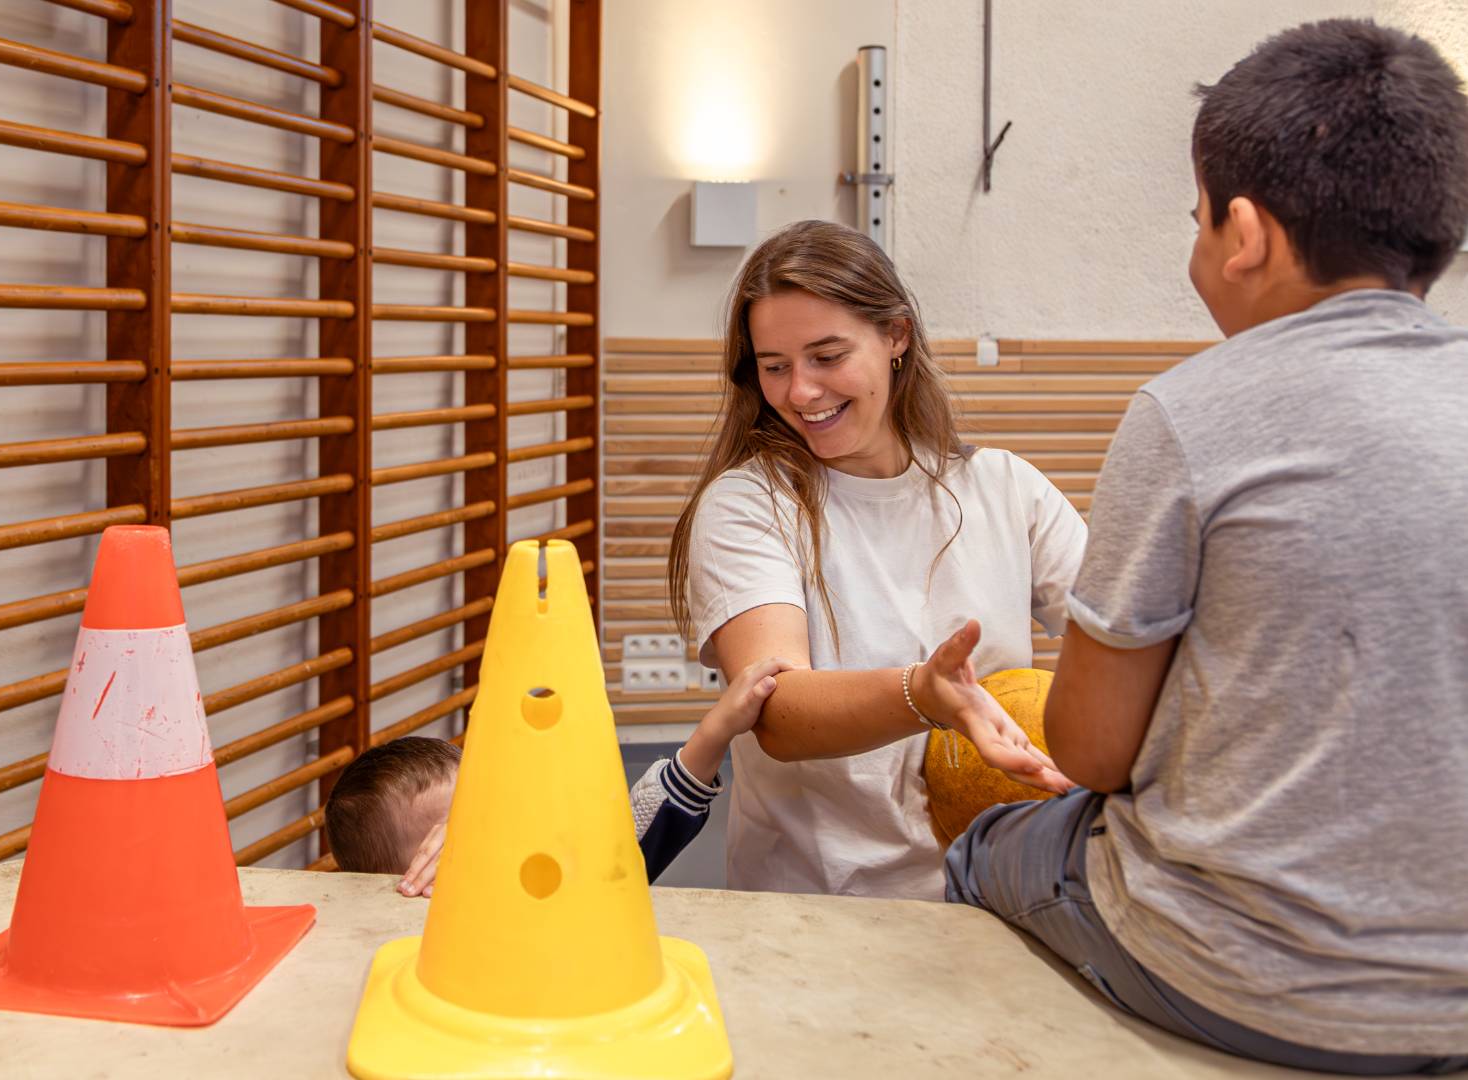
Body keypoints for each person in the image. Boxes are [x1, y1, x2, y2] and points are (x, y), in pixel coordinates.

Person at [936, 19, 1468, 1073]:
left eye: (1194, 221)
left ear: (1245, 233)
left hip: (1238, 978)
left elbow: (1091, 751)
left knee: (981, 848)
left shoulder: (1190, 412)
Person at [667, 219, 1080, 901]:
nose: (800, 391)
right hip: (823, 909)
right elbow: (775, 710)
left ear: (896, 336)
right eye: (775, 366)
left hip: (999, 895)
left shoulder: (1007, 488)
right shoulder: (748, 505)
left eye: (827, 356)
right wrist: (925, 694)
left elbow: (1125, 641)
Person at [323, 657, 791, 895]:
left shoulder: (546, 885)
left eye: (487, 809)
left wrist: (717, 729)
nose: (491, 831)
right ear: (408, 880)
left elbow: (626, 843)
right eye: (456, 836)